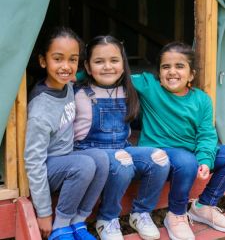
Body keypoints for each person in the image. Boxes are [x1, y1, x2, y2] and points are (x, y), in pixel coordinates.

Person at [74, 35, 170, 240]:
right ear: (88, 67)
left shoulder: (128, 89)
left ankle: (141, 212)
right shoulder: (78, 91)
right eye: (99, 62)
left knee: (159, 159)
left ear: (123, 64)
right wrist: (77, 74)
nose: (107, 66)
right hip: (89, 151)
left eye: (114, 61)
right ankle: (107, 219)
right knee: (123, 163)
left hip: (121, 147)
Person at [131, 42, 225, 240]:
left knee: (214, 156)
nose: (172, 71)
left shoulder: (202, 100)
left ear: (191, 74)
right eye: (166, 67)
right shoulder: (150, 88)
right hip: (159, 153)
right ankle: (176, 214)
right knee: (186, 161)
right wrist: (74, 76)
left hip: (190, 154)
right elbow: (113, 75)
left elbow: (207, 135)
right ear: (159, 72)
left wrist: (206, 160)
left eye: (179, 66)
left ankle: (203, 206)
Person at [24, 27, 109, 240]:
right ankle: (60, 227)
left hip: (66, 159)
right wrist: (43, 212)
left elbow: (83, 73)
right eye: (58, 59)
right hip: (47, 168)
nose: (66, 66)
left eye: (73, 59)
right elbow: (34, 163)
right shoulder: (40, 109)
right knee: (85, 164)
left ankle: (78, 221)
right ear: (43, 61)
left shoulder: (67, 84)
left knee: (101, 158)